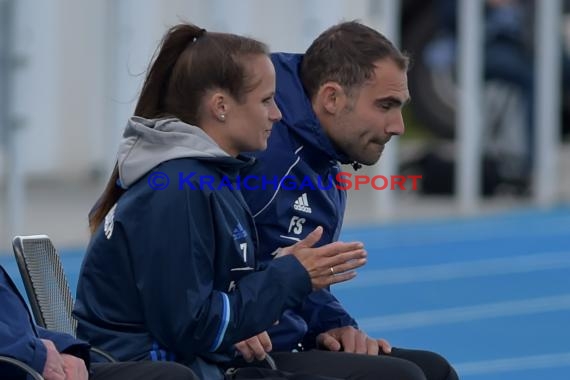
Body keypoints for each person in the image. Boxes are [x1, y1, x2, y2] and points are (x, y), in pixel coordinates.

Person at [73, 23, 366, 380]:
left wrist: (277, 271)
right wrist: (290, 278)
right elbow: (192, 327)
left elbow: (206, 301)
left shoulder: (208, 177)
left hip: (194, 363)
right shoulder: (179, 190)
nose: (277, 114)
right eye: (266, 100)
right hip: (163, 368)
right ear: (221, 106)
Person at [239, 21, 460, 380]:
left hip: (280, 338)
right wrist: (232, 323)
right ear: (332, 98)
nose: (398, 126)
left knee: (433, 369)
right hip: (235, 350)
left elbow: (299, 274)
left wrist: (335, 324)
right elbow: (203, 267)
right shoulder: (267, 153)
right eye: (385, 106)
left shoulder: (321, 153)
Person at [0, 265, 198, 380]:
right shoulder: (175, 204)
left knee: (173, 375)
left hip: (26, 362)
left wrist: (66, 349)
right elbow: (186, 320)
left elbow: (18, 326)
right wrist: (37, 355)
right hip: (22, 368)